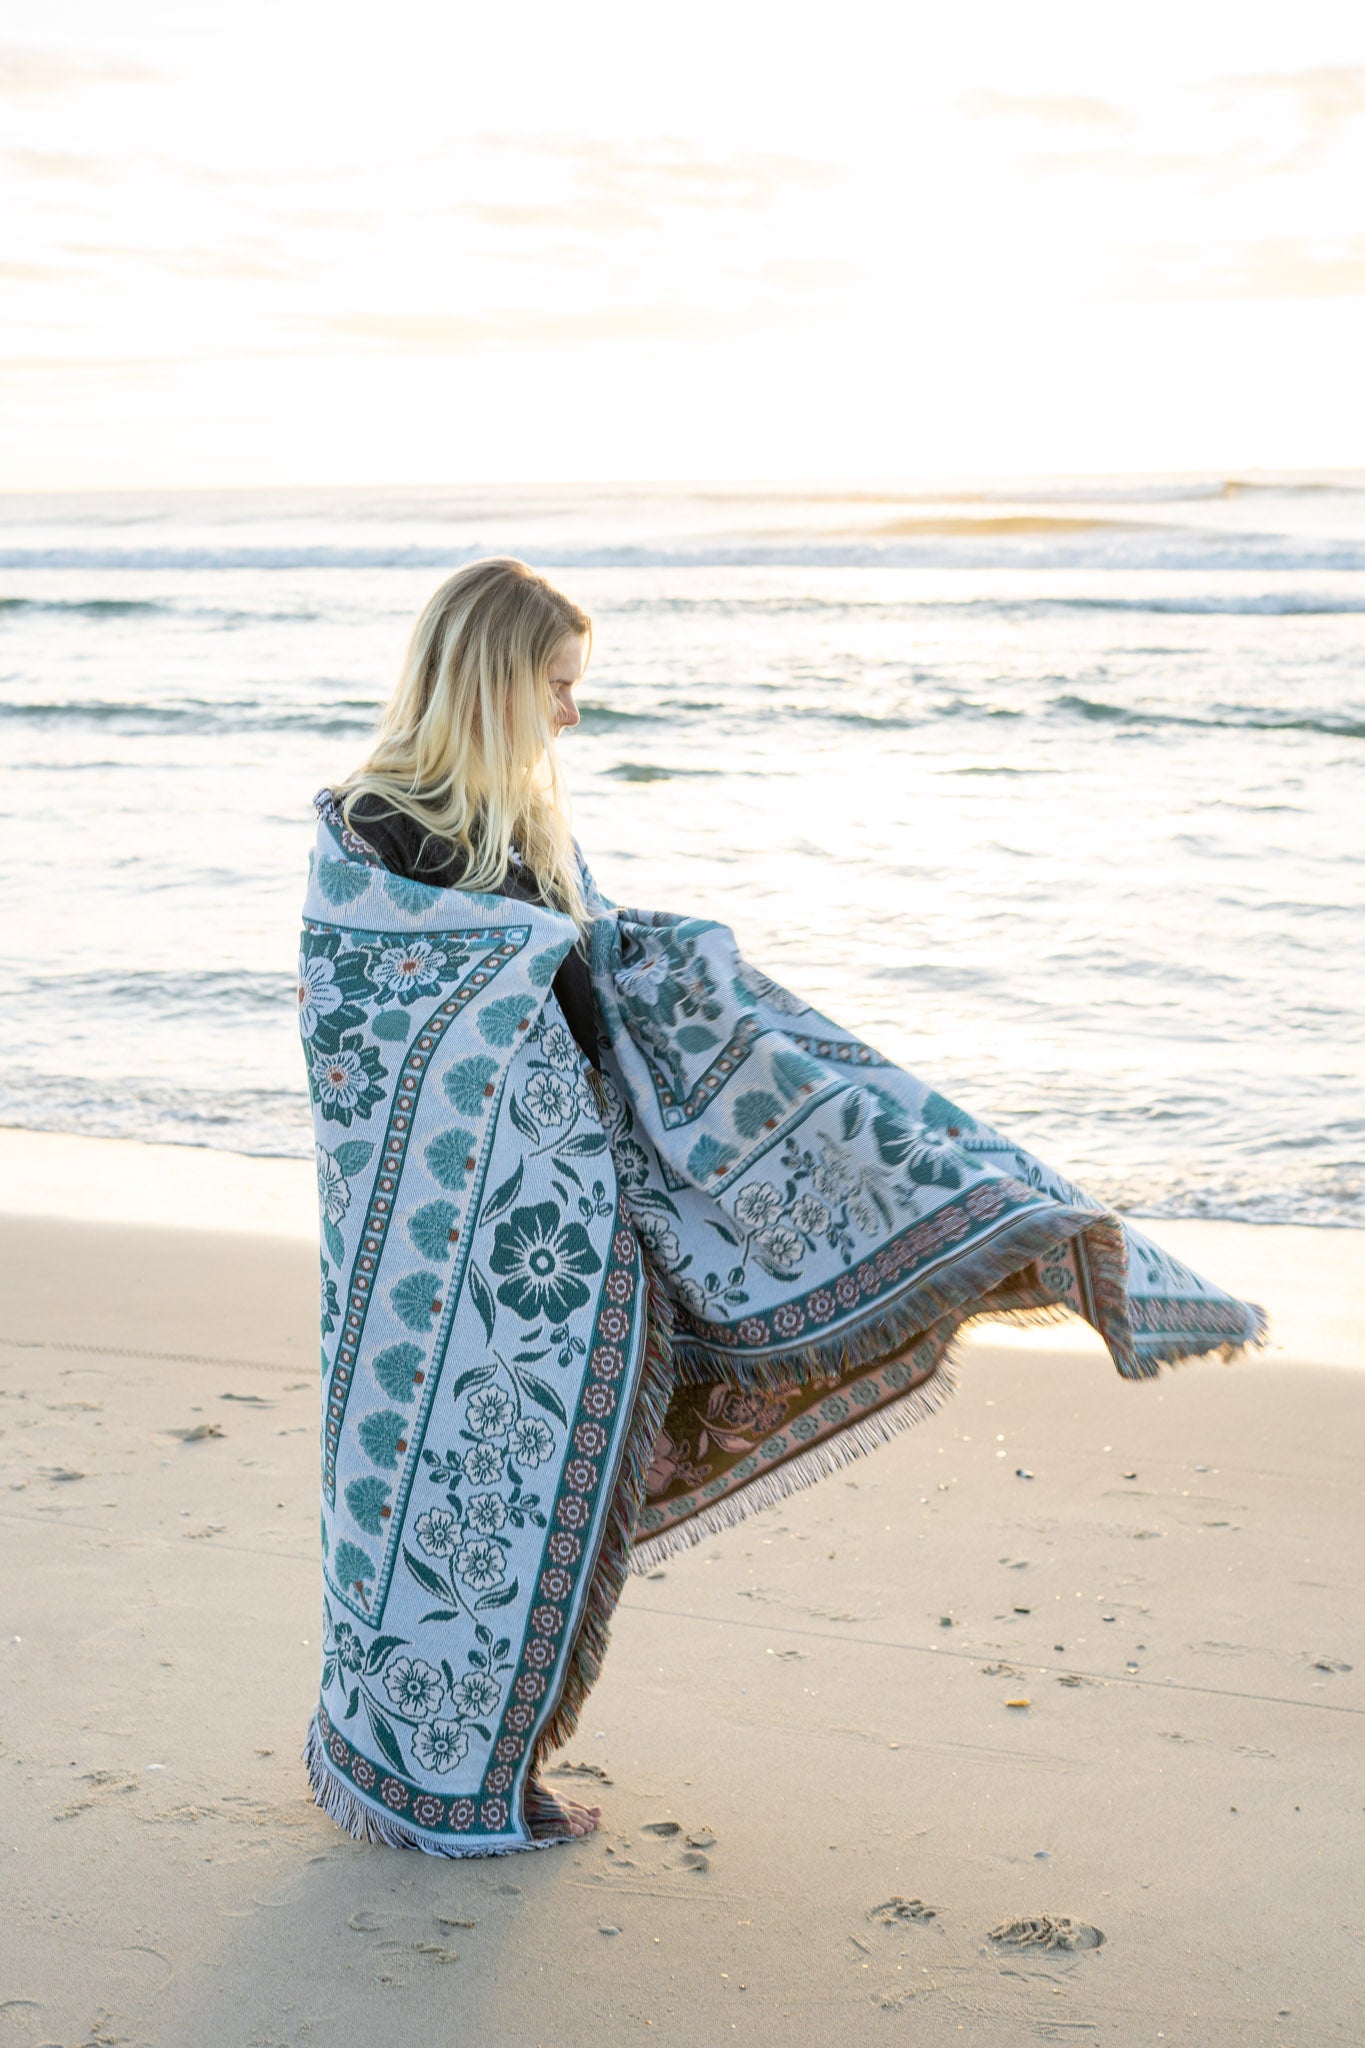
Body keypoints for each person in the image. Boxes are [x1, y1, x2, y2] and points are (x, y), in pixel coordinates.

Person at [300, 558, 1264, 1858]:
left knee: (553, 1504)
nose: (573, 717)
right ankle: (425, 1777)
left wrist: (654, 964)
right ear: (492, 676)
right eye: (560, 686)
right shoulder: (369, 832)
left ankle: (1065, 1246)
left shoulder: (531, 838)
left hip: (585, 1229)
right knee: (441, 1502)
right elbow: (365, 1044)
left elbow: (602, 1000)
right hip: (450, 1247)